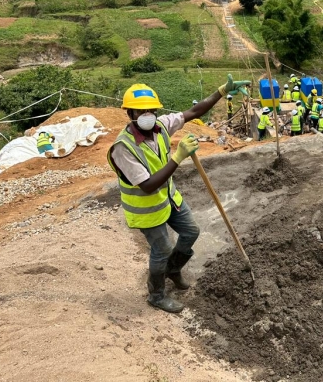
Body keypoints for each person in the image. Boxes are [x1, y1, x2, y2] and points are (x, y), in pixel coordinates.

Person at [107, 77, 250, 314]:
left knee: (191, 231)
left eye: (151, 109)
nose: (148, 114)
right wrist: (178, 157)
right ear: (129, 113)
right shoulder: (123, 148)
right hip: (146, 209)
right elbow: (148, 186)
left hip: (169, 199)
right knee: (162, 248)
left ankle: (173, 269)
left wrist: (221, 91)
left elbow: (194, 111)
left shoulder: (161, 126)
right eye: (141, 111)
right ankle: (156, 295)